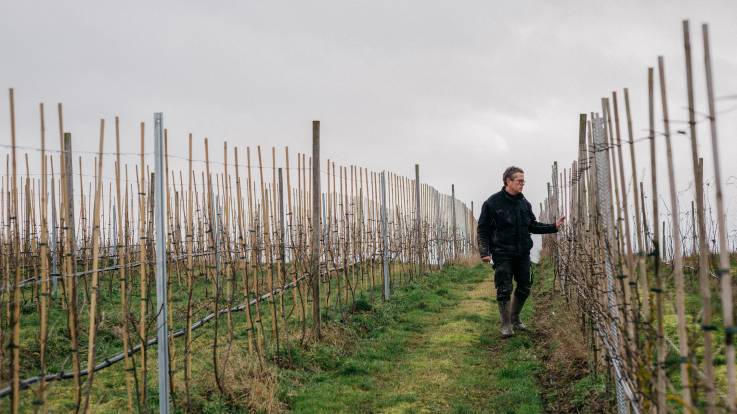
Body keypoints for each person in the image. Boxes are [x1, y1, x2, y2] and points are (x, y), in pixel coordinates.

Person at [477, 166, 565, 338]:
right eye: (519, 181)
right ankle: (505, 325)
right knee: (504, 288)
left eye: (523, 181)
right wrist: (484, 252)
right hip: (502, 253)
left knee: (525, 286)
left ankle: (515, 318)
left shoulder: (524, 203)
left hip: (522, 253)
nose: (522, 184)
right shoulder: (492, 203)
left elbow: (532, 225)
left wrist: (553, 227)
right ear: (508, 181)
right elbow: (483, 229)